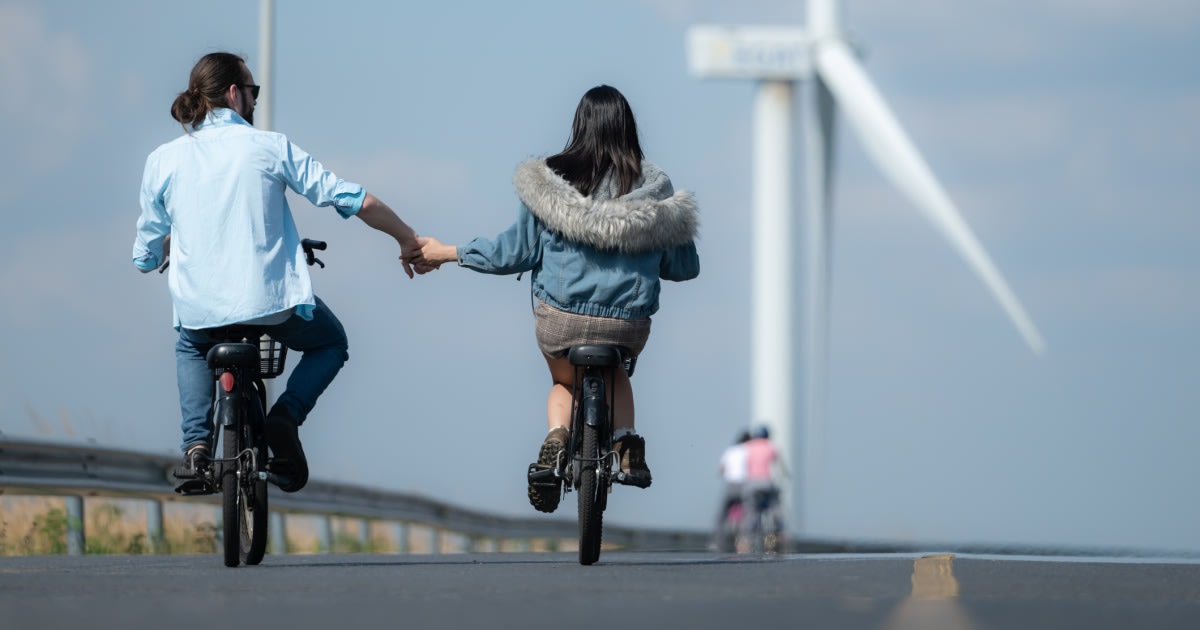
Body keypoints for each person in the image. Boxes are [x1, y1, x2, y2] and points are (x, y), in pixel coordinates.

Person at [132, 52, 423, 495]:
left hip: (202, 310)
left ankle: (195, 449)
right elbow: (350, 198)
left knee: (191, 346)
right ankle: (284, 418)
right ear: (235, 93)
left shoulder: (163, 161)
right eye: (253, 91)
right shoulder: (269, 146)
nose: (254, 99)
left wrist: (159, 254)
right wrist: (406, 237)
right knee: (331, 342)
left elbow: (145, 252)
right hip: (271, 305)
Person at [414, 85, 700, 513]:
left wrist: (447, 252)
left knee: (564, 380)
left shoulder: (549, 182)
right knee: (617, 370)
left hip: (560, 319)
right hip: (627, 324)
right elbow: (684, 267)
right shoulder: (655, 189)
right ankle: (626, 442)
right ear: (628, 130)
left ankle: (555, 440)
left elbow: (513, 254)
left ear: (578, 126)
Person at [712, 429, 750, 551]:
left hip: (730, 485)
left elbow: (721, 469)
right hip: (745, 485)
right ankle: (744, 542)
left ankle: (718, 543)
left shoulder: (731, 450)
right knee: (746, 515)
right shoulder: (749, 451)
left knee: (722, 516)